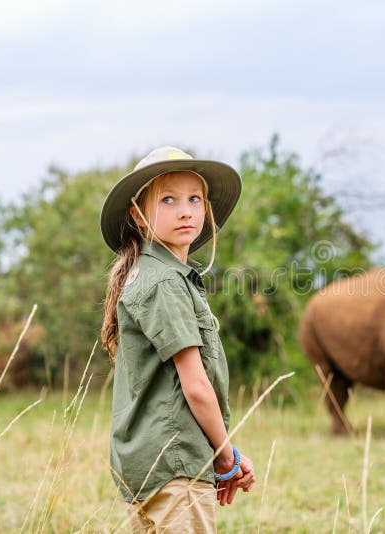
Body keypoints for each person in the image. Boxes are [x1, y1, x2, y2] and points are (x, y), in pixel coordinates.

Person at [99, 146, 255, 532]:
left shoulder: (147, 274)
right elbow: (196, 386)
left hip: (145, 467)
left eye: (194, 199)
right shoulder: (166, 282)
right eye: (168, 199)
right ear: (138, 214)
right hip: (176, 462)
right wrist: (225, 456)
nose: (185, 210)